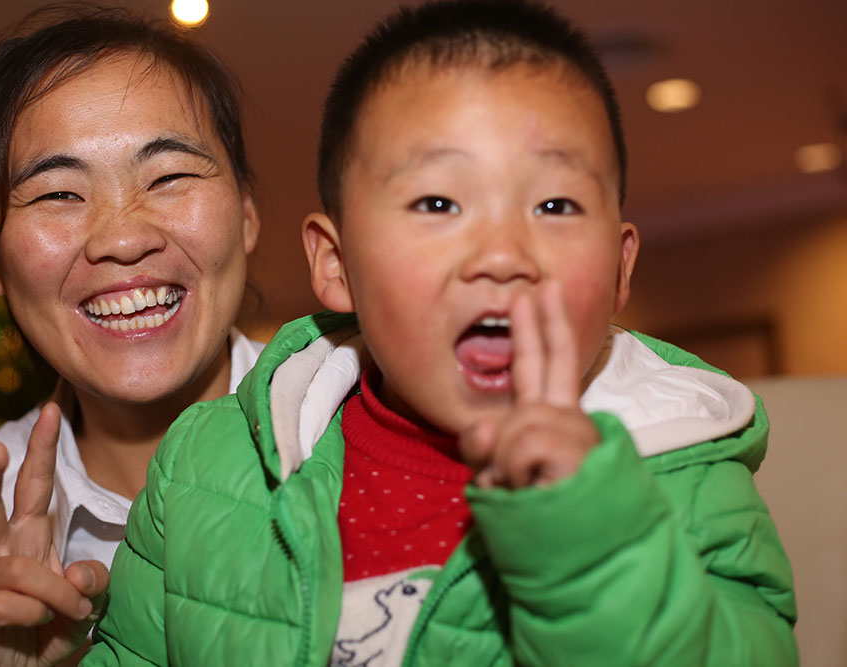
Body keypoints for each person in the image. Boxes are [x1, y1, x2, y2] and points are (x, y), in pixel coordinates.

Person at [85, 0, 797, 664]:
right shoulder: (206, 470)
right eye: (437, 201)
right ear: (336, 266)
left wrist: (591, 538)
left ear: (618, 266)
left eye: (554, 203)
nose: (501, 254)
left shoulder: (686, 479)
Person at [0, 6, 264, 666]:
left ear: (246, 215)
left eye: (170, 175)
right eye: (58, 193)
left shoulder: (371, 428)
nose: (122, 237)